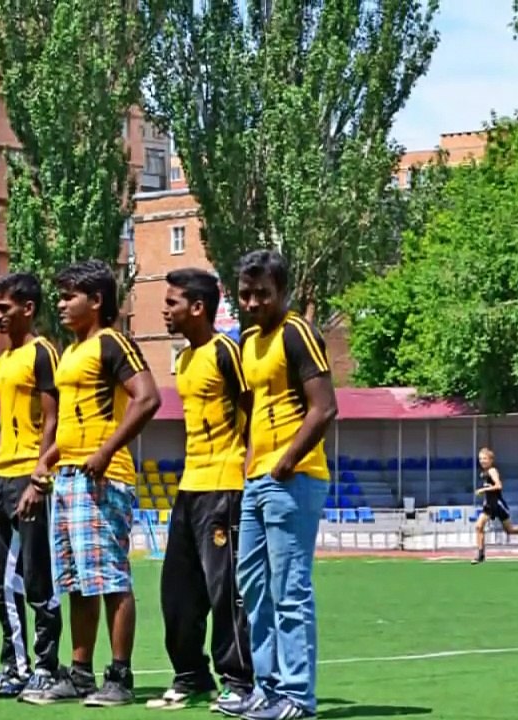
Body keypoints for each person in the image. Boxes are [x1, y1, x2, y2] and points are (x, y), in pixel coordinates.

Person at [23, 260, 162, 707]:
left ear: (97, 301)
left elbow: (148, 397)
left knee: (110, 578)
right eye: (60, 295)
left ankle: (119, 676)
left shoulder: (113, 342)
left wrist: (104, 451)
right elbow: (71, 420)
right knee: (78, 581)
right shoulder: (71, 352)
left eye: (69, 296)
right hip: (67, 478)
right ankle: (80, 672)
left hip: (103, 478)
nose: (60, 304)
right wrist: (47, 461)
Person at [222, 251, 338, 720]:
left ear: (282, 293)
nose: (252, 303)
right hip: (258, 479)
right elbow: (252, 412)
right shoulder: (249, 342)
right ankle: (267, 688)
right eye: (246, 294)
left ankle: (297, 697)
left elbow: (324, 407)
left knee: (289, 589)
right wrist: (253, 466)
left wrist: (284, 463)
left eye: (262, 294)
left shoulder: (297, 333)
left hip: (293, 478)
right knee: (252, 586)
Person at [148, 269, 254, 711]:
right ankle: (191, 675)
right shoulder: (186, 359)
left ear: (198, 307)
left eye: (172, 303)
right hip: (189, 487)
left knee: (224, 590)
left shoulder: (226, 351)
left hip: (226, 486)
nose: (164, 310)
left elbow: (253, 412)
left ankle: (239, 682)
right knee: (176, 591)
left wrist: (249, 475)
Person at [0, 272, 63, 699]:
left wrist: (40, 476)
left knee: (36, 577)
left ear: (27, 309)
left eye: (4, 309)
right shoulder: (6, 360)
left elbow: (53, 420)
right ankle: (15, 665)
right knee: (0, 578)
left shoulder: (42, 352)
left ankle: (47, 666)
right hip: (4, 478)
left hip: (30, 476)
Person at [472, 447, 518, 564]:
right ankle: (481, 554)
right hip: (490, 505)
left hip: (496, 505)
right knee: (487, 527)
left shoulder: (492, 471)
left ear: (491, 460)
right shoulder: (484, 473)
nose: (482, 461)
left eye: (485, 458)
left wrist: (483, 490)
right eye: (480, 459)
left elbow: (499, 486)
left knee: (487, 527)